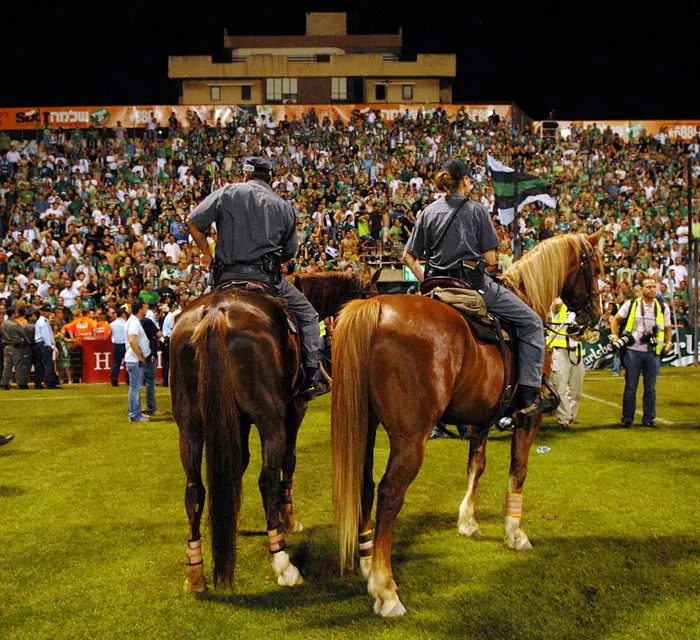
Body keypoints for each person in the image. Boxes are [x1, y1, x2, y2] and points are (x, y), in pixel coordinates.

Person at [402, 158, 553, 417]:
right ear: (465, 181)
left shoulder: (427, 212)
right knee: (531, 323)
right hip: (471, 285)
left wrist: (425, 280)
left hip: (436, 287)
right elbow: (492, 260)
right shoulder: (476, 209)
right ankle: (530, 394)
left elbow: (408, 257)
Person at [186, 156, 324, 398]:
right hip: (267, 280)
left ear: (245, 174)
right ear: (269, 178)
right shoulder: (282, 206)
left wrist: (206, 253)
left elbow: (193, 222)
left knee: (191, 317)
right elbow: (290, 251)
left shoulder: (226, 193)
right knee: (309, 316)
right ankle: (311, 377)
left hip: (224, 277)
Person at [610, 278, 672, 428]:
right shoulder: (631, 304)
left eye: (654, 287)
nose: (652, 289)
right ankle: (627, 419)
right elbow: (615, 320)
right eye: (648, 287)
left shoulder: (663, 307)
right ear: (641, 289)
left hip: (652, 352)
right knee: (631, 387)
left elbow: (667, 328)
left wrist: (668, 342)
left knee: (651, 388)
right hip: (633, 351)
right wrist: (615, 336)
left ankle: (649, 419)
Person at [546, 298, 585, 430]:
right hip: (560, 351)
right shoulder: (559, 307)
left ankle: (571, 415)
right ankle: (563, 420)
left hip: (577, 351)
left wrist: (580, 334)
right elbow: (556, 304)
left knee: (576, 388)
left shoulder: (580, 311)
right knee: (560, 386)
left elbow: (586, 333)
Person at [124, 300, 154, 423]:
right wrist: (141, 357)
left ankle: (135, 412)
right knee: (135, 388)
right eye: (145, 307)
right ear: (140, 309)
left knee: (135, 387)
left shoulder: (133, 321)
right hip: (134, 360)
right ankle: (134, 415)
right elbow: (132, 340)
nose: (147, 310)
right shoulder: (134, 322)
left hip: (134, 359)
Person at [140, 310, 165, 417]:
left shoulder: (134, 321)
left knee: (136, 383)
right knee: (150, 381)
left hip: (138, 353)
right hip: (149, 354)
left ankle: (136, 407)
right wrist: (155, 336)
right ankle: (152, 408)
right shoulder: (146, 321)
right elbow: (159, 334)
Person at [34, 305, 61, 389]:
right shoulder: (44, 321)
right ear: (42, 312)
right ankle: (50, 384)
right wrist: (49, 344)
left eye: (48, 311)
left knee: (41, 365)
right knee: (48, 365)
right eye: (47, 311)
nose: (48, 312)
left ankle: (38, 384)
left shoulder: (40, 321)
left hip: (40, 344)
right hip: (44, 344)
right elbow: (46, 334)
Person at [1, 307, 27, 389]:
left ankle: (4, 384)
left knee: (7, 367)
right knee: (18, 366)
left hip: (6, 347)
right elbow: (23, 334)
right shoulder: (15, 324)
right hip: (16, 347)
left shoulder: (3, 324)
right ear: (13, 314)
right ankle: (21, 383)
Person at [109, 306, 128, 387]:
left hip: (117, 345)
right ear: (123, 314)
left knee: (116, 363)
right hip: (125, 345)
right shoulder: (126, 324)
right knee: (128, 363)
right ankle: (128, 380)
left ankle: (114, 380)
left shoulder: (112, 324)